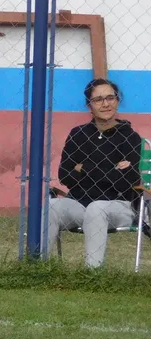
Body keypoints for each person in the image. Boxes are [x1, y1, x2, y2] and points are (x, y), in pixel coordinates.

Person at [48, 78, 143, 267]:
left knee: (96, 208)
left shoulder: (130, 137)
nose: (106, 104)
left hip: (118, 206)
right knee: (50, 206)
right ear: (89, 105)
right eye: (98, 99)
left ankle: (92, 272)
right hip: (79, 204)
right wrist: (111, 169)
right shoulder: (78, 134)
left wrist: (84, 168)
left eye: (110, 97)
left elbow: (127, 182)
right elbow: (65, 175)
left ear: (117, 100)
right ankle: (37, 266)